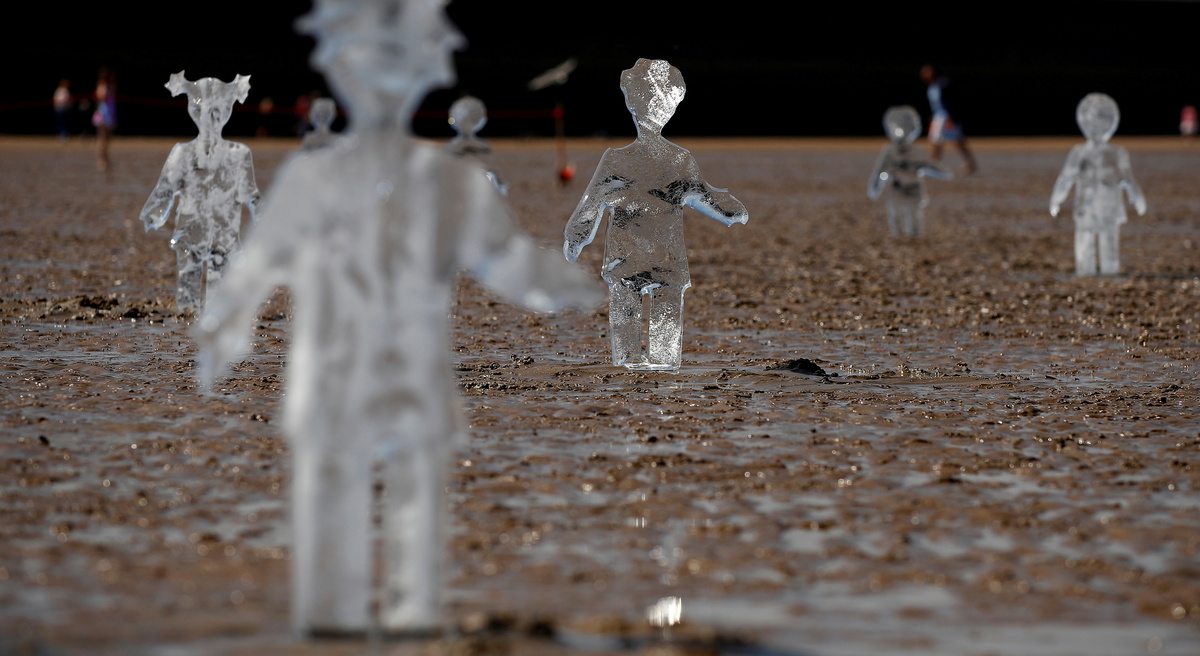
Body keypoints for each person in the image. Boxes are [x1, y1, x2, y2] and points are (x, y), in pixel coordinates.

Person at [193, 0, 600, 636]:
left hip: (411, 373)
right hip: (334, 372)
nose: (382, 80)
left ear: (424, 72)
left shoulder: (444, 179)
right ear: (339, 68)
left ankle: (410, 613)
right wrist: (225, 321)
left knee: (413, 491)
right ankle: (332, 613)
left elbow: (503, 257)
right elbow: (260, 260)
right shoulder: (317, 176)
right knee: (333, 485)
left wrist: (561, 283)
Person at [563, 58, 749, 371]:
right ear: (671, 108)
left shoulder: (617, 160)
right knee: (665, 311)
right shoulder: (679, 159)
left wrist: (575, 237)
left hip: (627, 258)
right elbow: (705, 195)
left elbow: (591, 205)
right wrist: (732, 209)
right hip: (665, 259)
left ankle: (630, 358)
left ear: (631, 105)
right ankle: (661, 360)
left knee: (627, 311)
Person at [140, 72, 261, 315]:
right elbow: (167, 188)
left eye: (217, 111)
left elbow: (250, 193)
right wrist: (155, 211)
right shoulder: (185, 153)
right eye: (206, 111)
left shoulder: (238, 155)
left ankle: (206, 317)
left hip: (221, 235)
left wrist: (266, 217)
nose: (211, 117)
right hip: (195, 233)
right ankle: (192, 316)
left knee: (217, 288)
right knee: (190, 286)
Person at [1049, 93, 1146, 277]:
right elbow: (1066, 178)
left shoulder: (1117, 153)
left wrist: (1138, 198)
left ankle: (1109, 272)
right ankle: (1085, 272)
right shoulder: (1079, 153)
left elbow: (1128, 178)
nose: (1097, 126)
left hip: (1109, 208)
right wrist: (1056, 200)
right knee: (1085, 243)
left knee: (1109, 244)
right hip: (1085, 208)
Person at [868, 105, 953, 237]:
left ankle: (914, 236)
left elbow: (929, 165)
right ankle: (899, 235)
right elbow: (880, 171)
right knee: (896, 215)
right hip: (897, 190)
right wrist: (876, 186)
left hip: (913, 190)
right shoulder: (890, 151)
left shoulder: (917, 151)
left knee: (914, 216)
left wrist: (944, 172)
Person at [920, 64, 976, 175]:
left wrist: (950, 117)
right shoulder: (932, 86)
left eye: (927, 72)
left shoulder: (943, 84)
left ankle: (970, 163)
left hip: (947, 117)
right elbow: (936, 105)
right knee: (935, 141)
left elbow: (952, 102)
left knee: (958, 141)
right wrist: (933, 118)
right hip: (938, 117)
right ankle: (934, 164)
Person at [93, 68, 117, 171]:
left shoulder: (111, 86)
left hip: (109, 115)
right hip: (103, 115)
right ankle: (102, 160)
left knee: (107, 140)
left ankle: (106, 159)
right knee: (102, 139)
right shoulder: (102, 86)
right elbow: (100, 97)